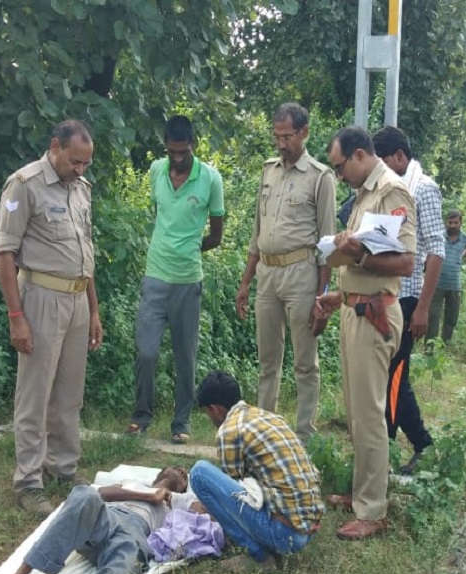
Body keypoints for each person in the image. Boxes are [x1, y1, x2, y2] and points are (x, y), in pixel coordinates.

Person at [0, 119, 103, 516]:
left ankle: (63, 467)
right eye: (75, 161)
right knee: (34, 395)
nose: (81, 170)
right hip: (40, 297)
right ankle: (28, 481)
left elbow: (85, 253)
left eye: (86, 164)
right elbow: (5, 254)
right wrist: (16, 317)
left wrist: (93, 309)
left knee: (68, 394)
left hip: (76, 300)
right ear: (55, 147)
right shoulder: (24, 185)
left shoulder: (81, 190)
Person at [313, 126, 416, 541]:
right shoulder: (363, 194)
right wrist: (340, 295)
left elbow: (405, 262)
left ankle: (373, 509)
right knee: (357, 412)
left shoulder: (391, 192)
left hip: (375, 316)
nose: (339, 176)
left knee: (371, 414)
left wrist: (358, 254)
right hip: (357, 311)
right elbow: (364, 260)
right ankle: (362, 494)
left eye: (340, 167)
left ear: (359, 155)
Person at [234, 103, 336, 443]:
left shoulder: (320, 177)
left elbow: (327, 244)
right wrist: (246, 281)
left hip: (301, 274)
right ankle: (266, 431)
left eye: (287, 136)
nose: (281, 143)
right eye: (276, 136)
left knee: (305, 362)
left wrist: (322, 296)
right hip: (267, 272)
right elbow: (257, 230)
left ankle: (304, 436)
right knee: (267, 359)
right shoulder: (269, 171)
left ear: (304, 132)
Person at [0, 467, 199, 574]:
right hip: (105, 519)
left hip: (134, 534)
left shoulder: (179, 501)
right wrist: (149, 496)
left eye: (184, 476)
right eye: (176, 468)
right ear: (159, 474)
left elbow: (206, 512)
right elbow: (100, 493)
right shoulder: (135, 484)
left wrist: (173, 498)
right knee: (83, 494)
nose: (182, 471)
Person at [128, 115, 225, 444]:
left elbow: (216, 234)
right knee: (146, 351)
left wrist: (190, 250)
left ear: (193, 145)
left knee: (185, 357)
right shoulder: (156, 170)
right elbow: (161, 216)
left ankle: (181, 423)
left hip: (188, 281)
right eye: (172, 151)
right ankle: (141, 416)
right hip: (154, 276)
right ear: (166, 146)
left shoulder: (210, 179)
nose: (178, 158)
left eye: (183, 151)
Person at [190, 371, 325, 571]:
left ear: (215, 409)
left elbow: (235, 495)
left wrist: (204, 507)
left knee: (199, 473)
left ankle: (259, 556)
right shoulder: (269, 417)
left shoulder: (229, 430)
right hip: (309, 527)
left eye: (207, 413)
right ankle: (272, 538)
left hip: (284, 535)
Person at [372, 126, 445, 474]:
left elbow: (436, 250)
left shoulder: (423, 189)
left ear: (400, 157)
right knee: (394, 373)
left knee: (394, 375)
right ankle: (419, 445)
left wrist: (423, 306)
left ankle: (389, 447)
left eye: (384, 162)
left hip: (409, 297)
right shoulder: (392, 190)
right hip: (392, 294)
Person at [427, 209, 466, 344]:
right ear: (446, 222)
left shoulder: (465, 239)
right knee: (433, 317)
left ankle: (444, 345)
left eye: (456, 222)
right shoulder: (439, 237)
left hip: (454, 285)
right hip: (437, 284)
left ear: (461, 223)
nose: (452, 225)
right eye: (450, 222)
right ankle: (429, 348)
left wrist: (461, 256)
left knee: (451, 317)